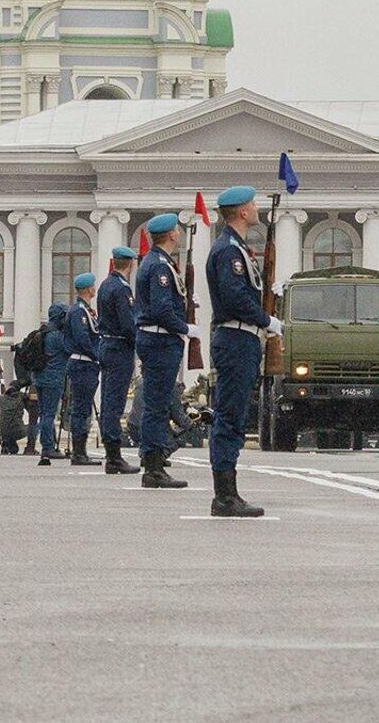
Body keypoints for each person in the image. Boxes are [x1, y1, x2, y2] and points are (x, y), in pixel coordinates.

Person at [206, 186, 282, 518]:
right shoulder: (228, 251)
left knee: (234, 417)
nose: (256, 208)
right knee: (229, 417)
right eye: (252, 204)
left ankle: (228, 492)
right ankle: (224, 496)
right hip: (236, 338)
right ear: (241, 211)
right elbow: (235, 297)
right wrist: (267, 319)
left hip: (242, 339)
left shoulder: (235, 248)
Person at [135, 213, 197, 489]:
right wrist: (184, 327)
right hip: (160, 341)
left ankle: (154, 463)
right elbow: (160, 309)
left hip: (158, 340)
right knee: (157, 407)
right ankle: (153, 468)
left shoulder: (159, 263)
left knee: (156, 405)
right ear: (171, 234)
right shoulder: (159, 265)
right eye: (177, 230)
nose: (180, 233)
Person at [98, 246, 140, 475]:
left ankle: (111, 452)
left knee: (108, 402)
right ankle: (114, 457)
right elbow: (128, 324)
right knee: (114, 403)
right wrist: (140, 344)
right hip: (119, 348)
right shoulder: (122, 289)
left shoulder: (105, 285)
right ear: (131, 264)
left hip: (106, 345)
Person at [66, 273, 103, 467]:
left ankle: (81, 451)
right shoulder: (79, 311)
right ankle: (79, 453)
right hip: (83, 364)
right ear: (89, 289)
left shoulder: (86, 310)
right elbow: (83, 339)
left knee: (84, 407)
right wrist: (98, 355)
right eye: (93, 286)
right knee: (81, 409)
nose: (95, 288)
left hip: (86, 364)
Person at [35, 303, 73, 465]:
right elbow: (70, 349)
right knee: (49, 414)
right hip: (53, 378)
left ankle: (49, 445)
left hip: (40, 377)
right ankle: (48, 447)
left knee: (44, 413)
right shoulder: (57, 336)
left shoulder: (43, 332)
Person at [0, 382, 27, 455]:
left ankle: (6, 445)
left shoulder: (1, 398)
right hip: (18, 431)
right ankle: (30, 446)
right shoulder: (21, 397)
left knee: (8, 431)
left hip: (3, 431)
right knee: (36, 426)